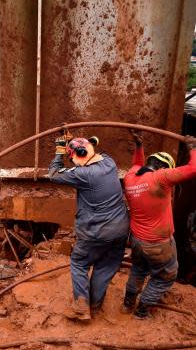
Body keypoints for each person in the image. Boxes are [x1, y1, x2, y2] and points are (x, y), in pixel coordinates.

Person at [48, 135, 129, 320]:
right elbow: (96, 152)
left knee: (79, 262)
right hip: (121, 230)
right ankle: (95, 303)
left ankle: (82, 306)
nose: (72, 161)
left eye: (72, 157)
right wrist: (79, 142)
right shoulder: (110, 163)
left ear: (80, 154)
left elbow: (54, 174)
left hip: (96, 232)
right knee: (105, 266)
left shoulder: (82, 174)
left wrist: (60, 152)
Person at [122, 134, 196, 318]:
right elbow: (193, 169)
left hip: (137, 240)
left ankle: (127, 303)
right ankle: (142, 311)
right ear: (163, 168)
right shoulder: (161, 178)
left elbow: (137, 164)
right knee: (165, 276)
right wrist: (192, 147)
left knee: (138, 269)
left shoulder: (131, 177)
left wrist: (139, 147)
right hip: (158, 244)